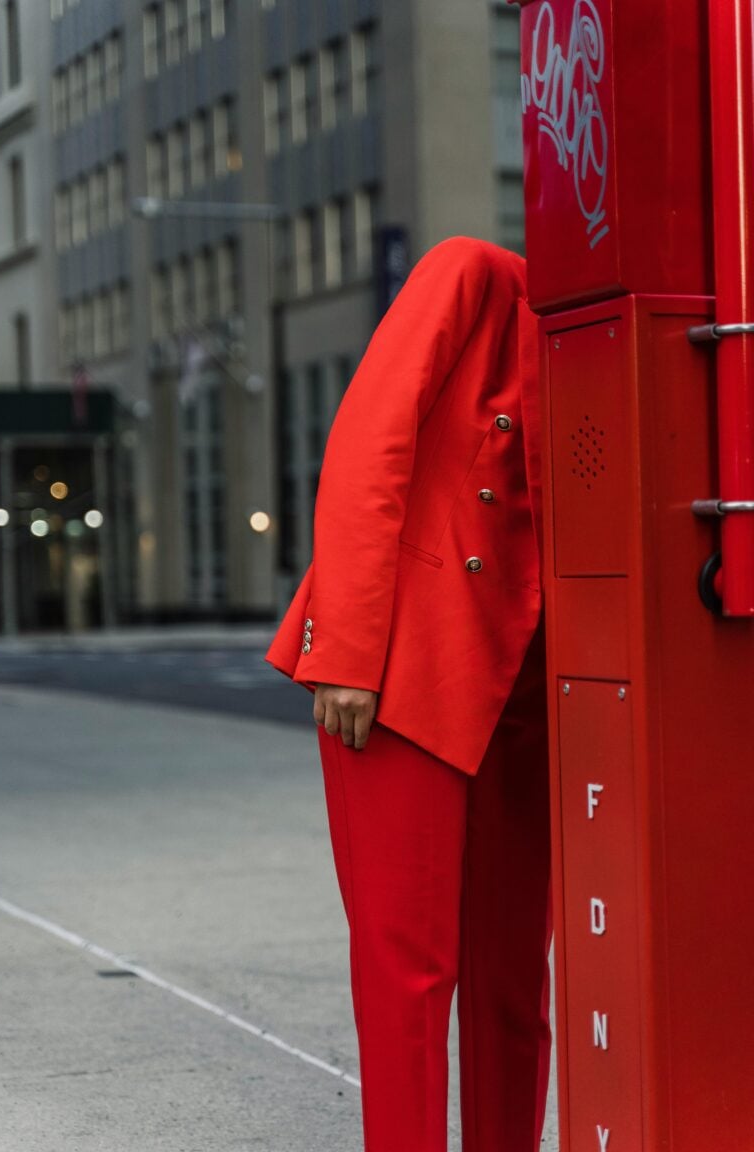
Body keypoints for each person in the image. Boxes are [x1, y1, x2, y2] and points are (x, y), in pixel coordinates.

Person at [266, 236, 551, 1152]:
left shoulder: (624, 336)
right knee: (407, 977)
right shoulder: (475, 274)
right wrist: (349, 645)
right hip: (406, 664)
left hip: (533, 678)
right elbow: (367, 442)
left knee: (516, 977)